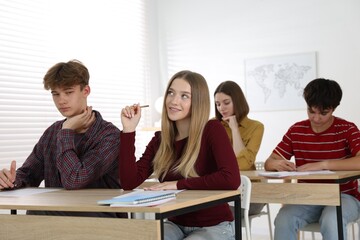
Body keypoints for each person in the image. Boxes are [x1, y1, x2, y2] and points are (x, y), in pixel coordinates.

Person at [119, 70, 240, 240]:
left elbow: (231, 179)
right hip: (175, 224)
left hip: (215, 226)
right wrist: (129, 130)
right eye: (171, 93)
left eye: (184, 96)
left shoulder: (212, 130)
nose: (174, 101)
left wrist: (178, 184)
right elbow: (129, 182)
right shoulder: (160, 139)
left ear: (197, 102)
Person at [0, 60, 125, 218]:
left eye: (68, 92)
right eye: (55, 94)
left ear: (86, 90)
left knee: (38, 213)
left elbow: (74, 180)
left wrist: (66, 131)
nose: (61, 100)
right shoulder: (52, 132)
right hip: (57, 216)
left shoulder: (109, 136)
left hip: (102, 217)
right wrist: (11, 180)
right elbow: (29, 174)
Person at [264, 78, 360, 240]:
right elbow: (269, 162)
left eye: (323, 113)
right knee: (284, 219)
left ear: (334, 109)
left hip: (343, 196)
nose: (316, 118)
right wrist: (277, 163)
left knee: (331, 220)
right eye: (311, 111)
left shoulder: (347, 129)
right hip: (308, 196)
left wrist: (322, 165)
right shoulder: (296, 130)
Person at [214, 80, 265, 216]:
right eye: (218, 104)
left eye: (226, 103)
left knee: (214, 211)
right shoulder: (213, 125)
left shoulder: (256, 127)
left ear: (237, 101)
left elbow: (242, 165)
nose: (221, 108)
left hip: (250, 195)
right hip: (220, 191)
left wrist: (235, 129)